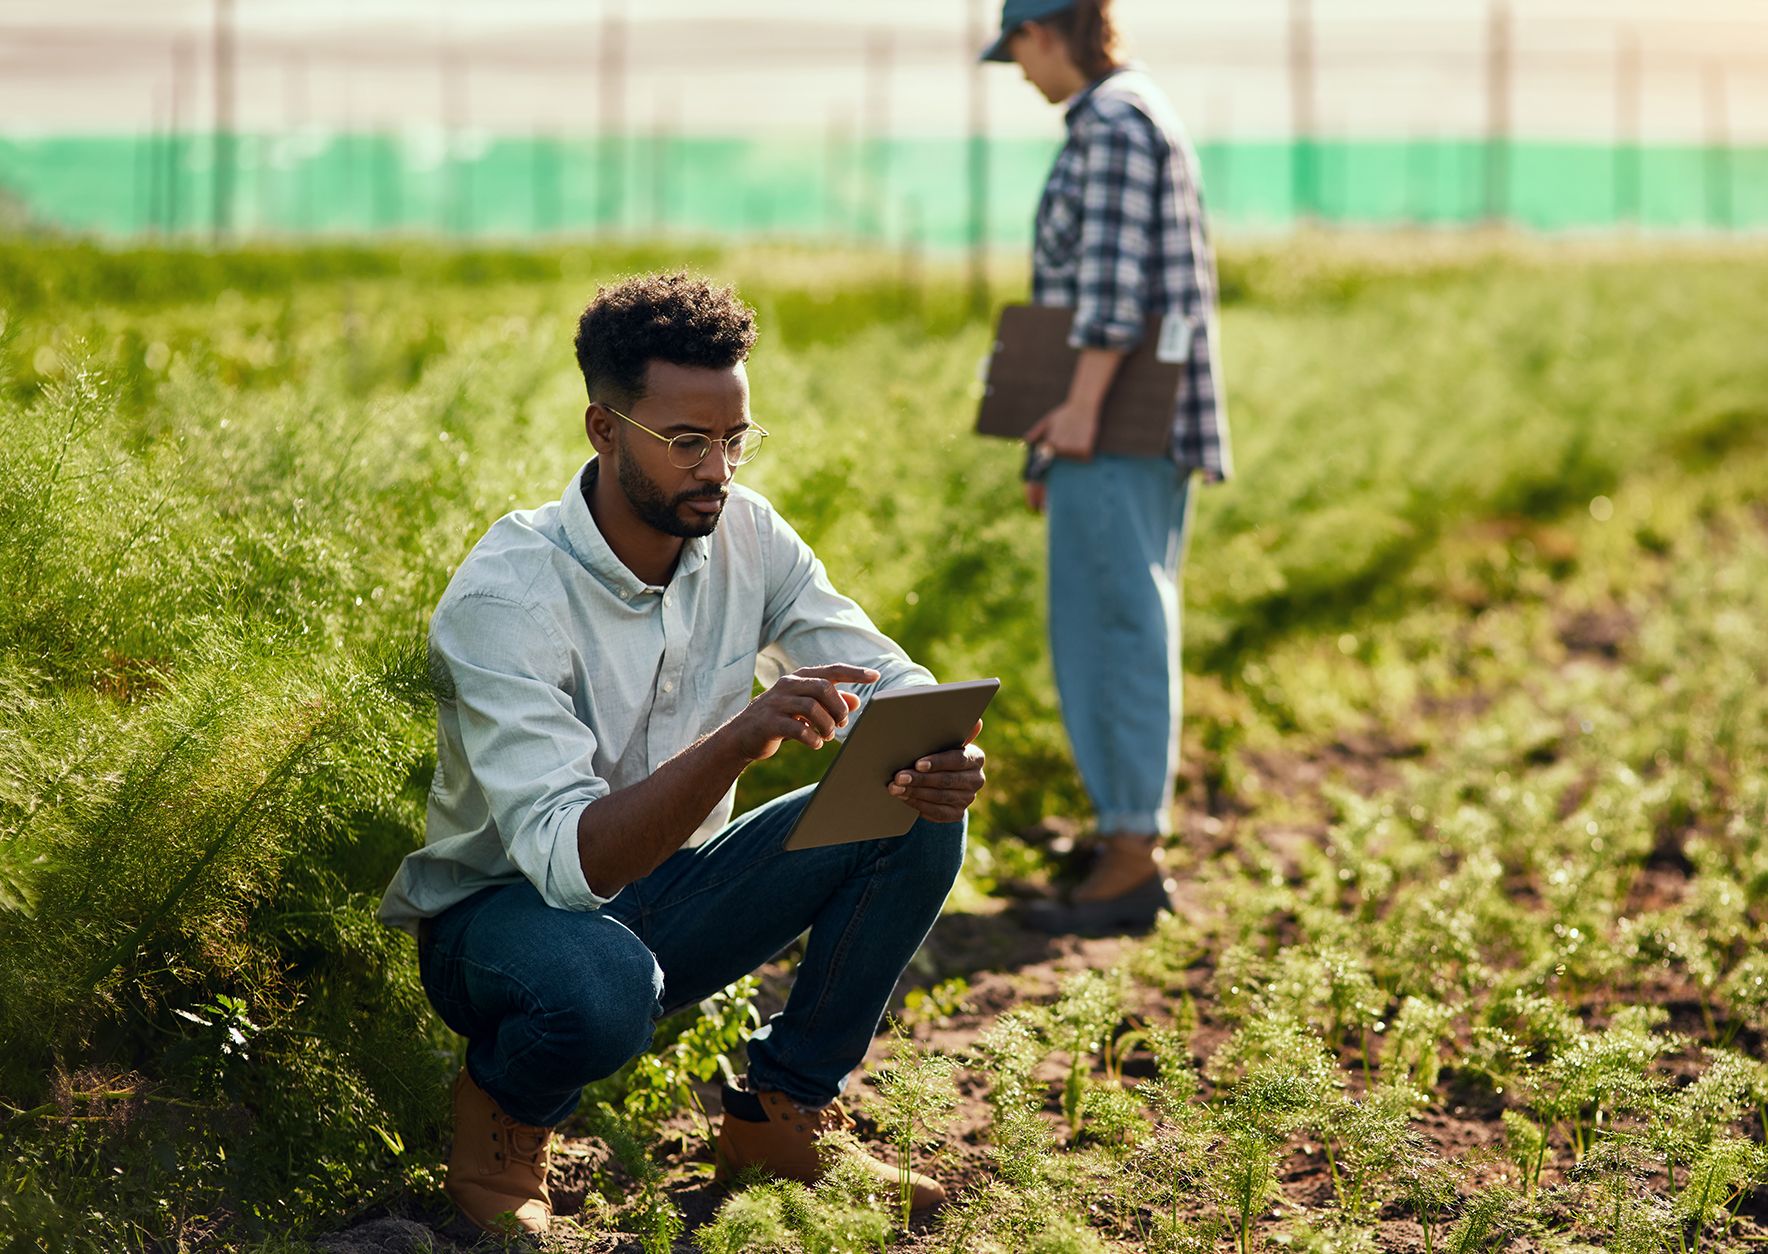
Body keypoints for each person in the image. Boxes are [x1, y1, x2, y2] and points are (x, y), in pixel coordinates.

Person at [377, 272, 985, 1236]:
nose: (719, 469)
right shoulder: (509, 598)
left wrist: (934, 743)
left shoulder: (748, 534)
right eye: (688, 443)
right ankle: (501, 1117)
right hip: (502, 924)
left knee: (910, 805)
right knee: (599, 988)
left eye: (735, 439)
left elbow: (881, 673)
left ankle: (778, 1116)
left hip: (665, 894)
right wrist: (739, 739)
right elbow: (574, 863)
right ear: (604, 429)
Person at [981, 0, 1230, 935]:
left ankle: (1129, 859)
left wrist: (1077, 413)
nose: (1021, 75)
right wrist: (1054, 435)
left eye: (1018, 54)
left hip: (1118, 423)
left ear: (1044, 32)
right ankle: (1122, 839)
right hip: (1119, 424)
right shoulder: (1131, 115)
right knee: (1119, 618)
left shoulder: (1115, 123)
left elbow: (1112, 295)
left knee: (1114, 630)